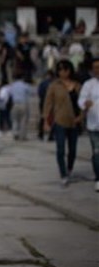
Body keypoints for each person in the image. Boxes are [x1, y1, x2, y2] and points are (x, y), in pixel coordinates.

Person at [44, 59, 82, 187]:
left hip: (74, 120)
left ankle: (69, 168)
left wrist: (81, 117)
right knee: (60, 149)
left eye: (65, 69)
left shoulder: (77, 86)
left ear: (70, 70)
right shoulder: (54, 86)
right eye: (60, 70)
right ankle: (63, 174)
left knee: (73, 150)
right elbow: (48, 103)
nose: (63, 72)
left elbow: (82, 103)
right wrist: (46, 120)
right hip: (60, 120)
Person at [78, 57, 99, 192]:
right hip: (93, 124)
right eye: (96, 67)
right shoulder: (88, 84)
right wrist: (84, 104)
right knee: (97, 153)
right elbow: (81, 100)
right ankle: (98, 178)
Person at [9, 74, 36, 141]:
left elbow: (10, 93)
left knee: (15, 120)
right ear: (22, 78)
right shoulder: (25, 85)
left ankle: (15, 134)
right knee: (23, 121)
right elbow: (32, 93)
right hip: (23, 104)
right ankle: (22, 136)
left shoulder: (12, 86)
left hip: (15, 104)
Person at [38, 70, 55, 141]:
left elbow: (40, 93)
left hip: (44, 102)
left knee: (45, 117)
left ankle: (42, 133)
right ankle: (49, 134)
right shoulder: (53, 83)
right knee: (50, 118)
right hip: (50, 102)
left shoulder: (43, 83)